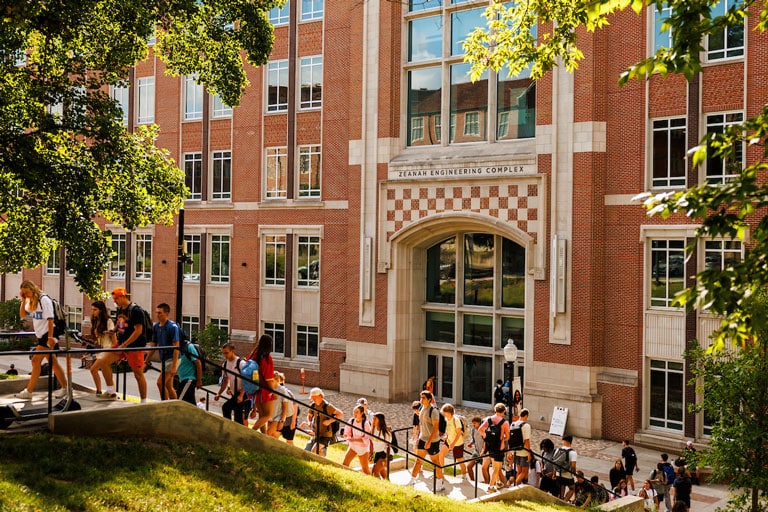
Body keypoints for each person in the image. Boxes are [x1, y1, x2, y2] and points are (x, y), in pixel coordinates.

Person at [14, 280, 68, 400]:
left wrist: (50, 337)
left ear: (32, 289)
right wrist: (23, 300)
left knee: (35, 361)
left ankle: (29, 391)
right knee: (53, 363)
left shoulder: (44, 299)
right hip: (41, 335)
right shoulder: (32, 301)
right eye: (23, 294)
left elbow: (50, 319)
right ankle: (66, 388)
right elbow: (23, 315)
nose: (26, 295)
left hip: (47, 334)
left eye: (27, 293)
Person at [111, 287, 149, 402]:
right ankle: (110, 391)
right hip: (121, 343)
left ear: (123, 296)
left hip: (134, 346)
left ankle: (143, 401)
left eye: (116, 298)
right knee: (102, 360)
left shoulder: (136, 310)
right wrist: (113, 330)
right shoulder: (120, 309)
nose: (115, 301)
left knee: (138, 374)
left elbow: (138, 331)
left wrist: (125, 345)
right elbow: (120, 322)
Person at [406, 391, 445, 491]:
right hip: (422, 439)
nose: (421, 399)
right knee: (418, 460)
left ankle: (440, 483)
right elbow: (421, 425)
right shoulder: (421, 408)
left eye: (423, 398)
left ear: (429, 399)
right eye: (421, 397)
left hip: (433, 441)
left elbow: (435, 428)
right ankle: (412, 480)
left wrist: (429, 441)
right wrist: (419, 438)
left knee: (436, 462)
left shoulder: (433, 411)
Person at [87, 301, 118, 398]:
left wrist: (116, 350)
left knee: (93, 369)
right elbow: (96, 338)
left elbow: (113, 336)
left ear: (101, 310)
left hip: (107, 349)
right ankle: (111, 392)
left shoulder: (108, 321)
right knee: (105, 370)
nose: (93, 312)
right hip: (100, 349)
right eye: (92, 310)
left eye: (95, 310)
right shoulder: (95, 321)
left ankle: (100, 391)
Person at [149, 303, 180, 400]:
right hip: (164, 359)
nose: (158, 315)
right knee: (168, 386)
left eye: (160, 313)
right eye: (157, 313)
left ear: (166, 313)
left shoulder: (172, 327)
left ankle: (165, 404)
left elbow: (176, 347)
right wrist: (146, 360)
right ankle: (175, 405)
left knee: (160, 383)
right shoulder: (156, 326)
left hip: (172, 358)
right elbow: (153, 345)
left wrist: (174, 366)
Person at [248, 334, 277, 432]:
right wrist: (273, 391)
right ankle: (251, 432)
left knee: (261, 415)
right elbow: (268, 377)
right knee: (267, 415)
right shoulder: (266, 358)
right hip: (264, 389)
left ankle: (263, 436)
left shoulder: (253, 354)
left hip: (253, 386)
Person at [478, 402, 510, 492]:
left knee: (495, 465)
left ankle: (498, 482)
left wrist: (486, 437)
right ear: (504, 411)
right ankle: (491, 487)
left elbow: (480, 429)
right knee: (497, 468)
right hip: (499, 447)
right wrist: (502, 438)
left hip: (489, 446)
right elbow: (507, 436)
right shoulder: (505, 423)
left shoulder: (489, 419)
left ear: (495, 410)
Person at [214, 342, 247, 425]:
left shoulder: (241, 363)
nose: (225, 355)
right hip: (234, 393)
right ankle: (231, 428)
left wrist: (241, 395)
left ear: (232, 351)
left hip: (242, 393)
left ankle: (230, 428)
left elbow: (247, 380)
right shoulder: (225, 365)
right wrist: (219, 393)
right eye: (223, 353)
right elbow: (225, 381)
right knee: (235, 414)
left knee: (228, 409)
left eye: (226, 353)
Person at [305, 387, 343, 456]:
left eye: (314, 397)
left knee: (314, 451)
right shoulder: (313, 405)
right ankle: (322, 463)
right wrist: (309, 422)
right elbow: (309, 416)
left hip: (326, 434)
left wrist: (329, 421)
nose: (313, 399)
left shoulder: (327, 406)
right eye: (312, 398)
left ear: (320, 396)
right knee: (317, 451)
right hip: (317, 433)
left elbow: (340, 414)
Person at [268, 372, 298, 445]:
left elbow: (294, 406)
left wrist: (293, 421)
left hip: (287, 418)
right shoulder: (271, 389)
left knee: (289, 440)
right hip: (277, 416)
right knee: (273, 435)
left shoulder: (285, 392)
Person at [175, 328, 203, 406]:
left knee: (179, 400)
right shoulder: (177, 348)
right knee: (190, 403)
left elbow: (198, 363)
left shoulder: (189, 347)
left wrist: (199, 380)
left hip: (189, 379)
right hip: (182, 379)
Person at [439, 403, 467, 479]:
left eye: (445, 412)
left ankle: (464, 475)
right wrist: (446, 435)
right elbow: (448, 430)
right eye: (443, 412)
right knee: (441, 454)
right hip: (448, 441)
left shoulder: (456, 420)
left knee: (459, 460)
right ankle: (441, 472)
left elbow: (458, 433)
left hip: (457, 443)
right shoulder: (446, 419)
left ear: (450, 412)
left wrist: (453, 444)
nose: (443, 413)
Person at [342, 404, 371, 474]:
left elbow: (367, 439)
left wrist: (354, 439)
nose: (355, 414)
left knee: (365, 469)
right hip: (353, 446)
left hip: (362, 448)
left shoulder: (366, 424)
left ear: (362, 413)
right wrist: (346, 435)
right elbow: (347, 431)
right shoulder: (351, 421)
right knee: (344, 464)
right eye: (354, 412)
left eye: (357, 412)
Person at [510, 408, 531, 485]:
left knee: (519, 471)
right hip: (523, 451)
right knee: (524, 472)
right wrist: (529, 453)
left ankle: (512, 484)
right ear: (526, 416)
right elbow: (527, 441)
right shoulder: (526, 425)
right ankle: (514, 486)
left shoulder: (513, 424)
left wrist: (510, 452)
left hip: (515, 451)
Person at [370, 412, 393, 480]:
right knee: (381, 472)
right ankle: (388, 485)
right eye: (373, 419)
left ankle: (379, 488)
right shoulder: (373, 430)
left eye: (375, 419)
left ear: (380, 420)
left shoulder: (386, 432)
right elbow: (371, 443)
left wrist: (386, 458)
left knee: (375, 472)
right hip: (377, 454)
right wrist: (371, 453)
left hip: (385, 454)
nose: (373, 421)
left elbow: (388, 445)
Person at [557, 435, 578, 502]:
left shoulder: (558, 450)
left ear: (564, 441)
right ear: (570, 441)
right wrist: (574, 473)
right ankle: (565, 501)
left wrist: (554, 474)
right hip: (568, 475)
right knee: (572, 488)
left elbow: (555, 462)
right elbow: (573, 466)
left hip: (559, 473)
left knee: (562, 488)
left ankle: (561, 500)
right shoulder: (573, 452)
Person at [465, 415, 486, 483]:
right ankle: (472, 481)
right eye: (473, 423)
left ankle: (487, 483)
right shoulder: (473, 430)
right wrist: (471, 443)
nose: (473, 424)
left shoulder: (483, 430)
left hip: (484, 453)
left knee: (485, 469)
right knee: (469, 467)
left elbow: (486, 441)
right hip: (476, 452)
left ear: (479, 422)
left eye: (475, 423)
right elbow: (474, 439)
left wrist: (484, 451)